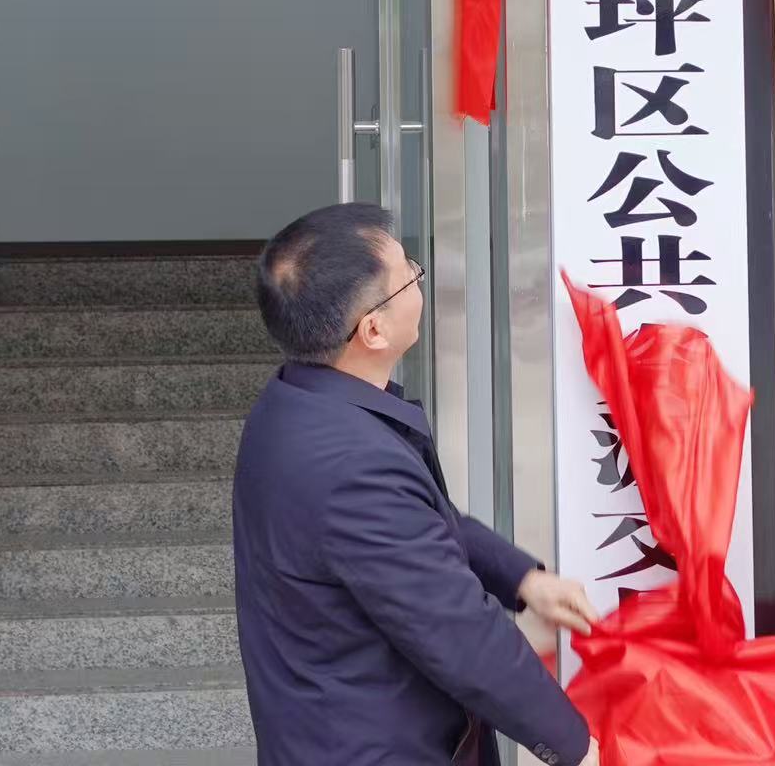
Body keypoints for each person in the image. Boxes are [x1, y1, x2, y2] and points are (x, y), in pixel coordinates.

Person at [234, 202, 599, 766]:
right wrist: (576, 748)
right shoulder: (350, 465)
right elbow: (460, 633)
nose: (417, 280)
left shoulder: (297, 403)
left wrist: (522, 577)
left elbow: (420, 521)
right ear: (373, 329)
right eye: (408, 273)